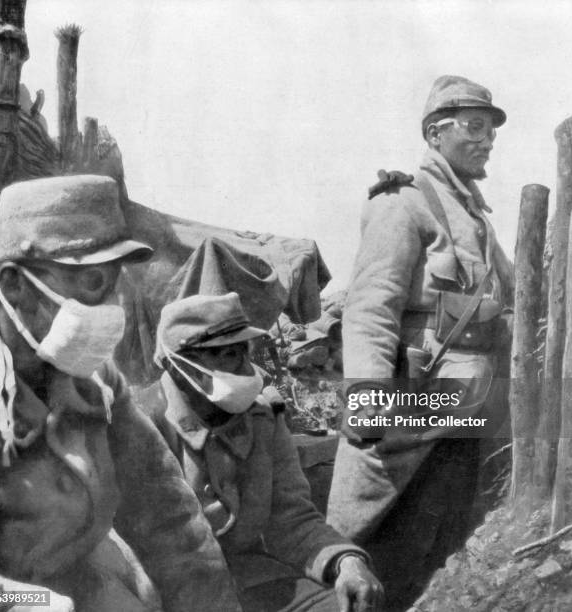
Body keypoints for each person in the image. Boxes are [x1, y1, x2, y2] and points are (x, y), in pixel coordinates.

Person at [0, 175, 241, 612]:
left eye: (116, 281)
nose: (113, 305)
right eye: (92, 281)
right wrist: (29, 603)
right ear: (13, 285)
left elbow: (167, 514)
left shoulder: (96, 381)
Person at [326, 75, 515, 610]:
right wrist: (366, 400)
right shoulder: (403, 203)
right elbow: (370, 310)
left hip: (466, 413)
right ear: (435, 133)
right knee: (382, 548)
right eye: (473, 127)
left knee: (445, 550)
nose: (486, 141)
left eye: (490, 131)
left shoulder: (475, 216)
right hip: (410, 413)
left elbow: (512, 299)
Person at [142, 292, 385, 612]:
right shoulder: (139, 424)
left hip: (252, 578)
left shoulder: (263, 416)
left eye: (244, 352)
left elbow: (292, 519)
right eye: (227, 355)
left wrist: (346, 561)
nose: (247, 368)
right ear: (179, 366)